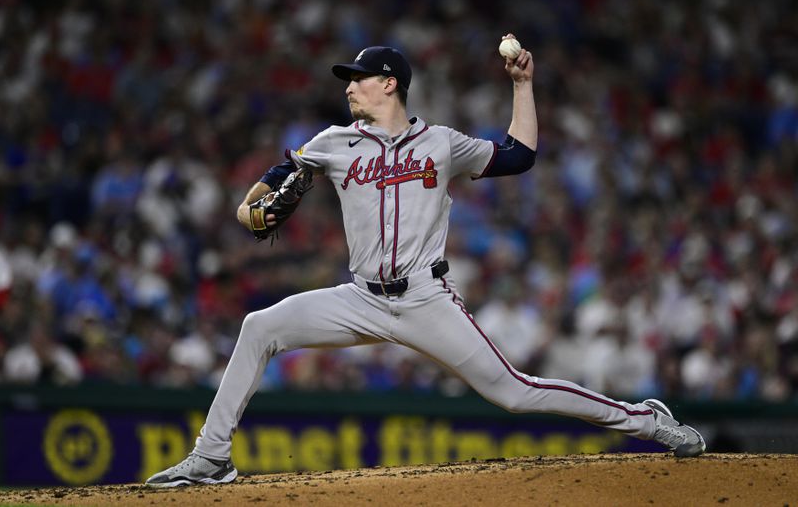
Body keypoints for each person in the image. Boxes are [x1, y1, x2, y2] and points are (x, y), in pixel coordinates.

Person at [145, 35, 705, 487]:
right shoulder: (332, 143)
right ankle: (211, 458)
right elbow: (254, 203)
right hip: (360, 298)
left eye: (358, 78)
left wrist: (524, 86)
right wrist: (253, 213)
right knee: (258, 325)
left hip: (425, 299)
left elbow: (520, 156)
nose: (349, 88)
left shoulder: (441, 143)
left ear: (389, 83)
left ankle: (645, 420)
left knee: (514, 392)